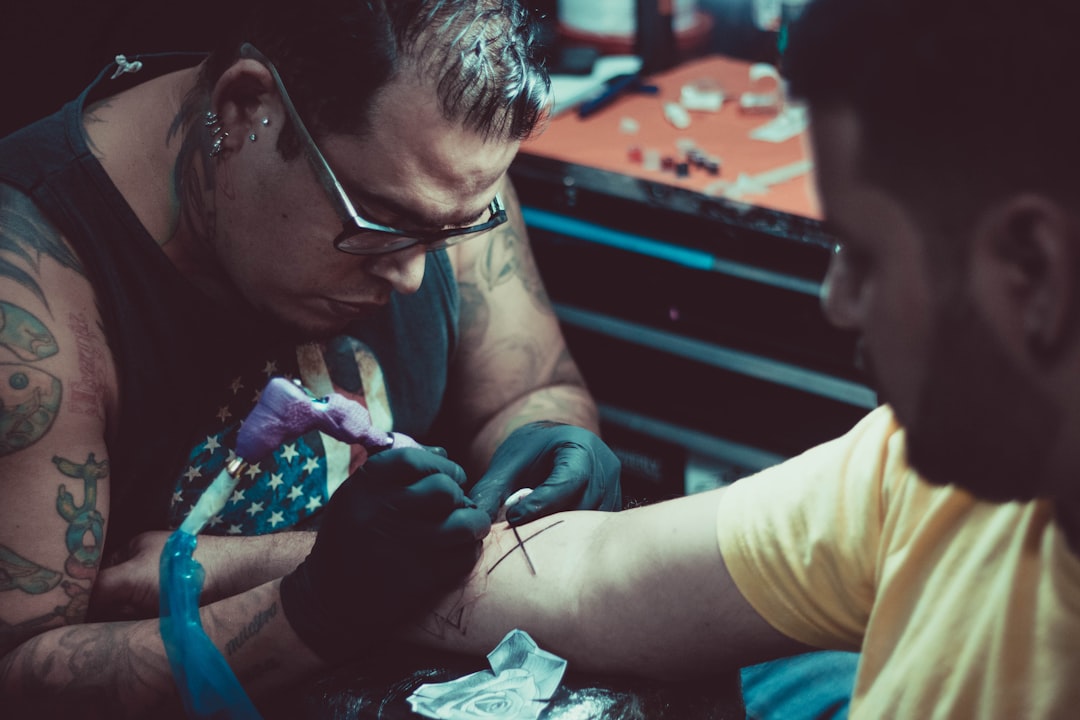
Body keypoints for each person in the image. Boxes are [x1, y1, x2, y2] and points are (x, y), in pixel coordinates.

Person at [381, 0, 1079, 716]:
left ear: (1032, 270)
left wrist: (329, 600)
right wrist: (341, 580)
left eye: (865, 256)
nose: (836, 301)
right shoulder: (926, 471)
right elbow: (594, 576)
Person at [0, 0, 621, 715]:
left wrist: (547, 439)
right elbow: (18, 676)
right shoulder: (31, 293)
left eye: (449, 233)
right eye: (383, 222)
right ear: (245, 110)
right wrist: (312, 611)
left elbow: (528, 388)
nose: (412, 276)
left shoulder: (432, 160)